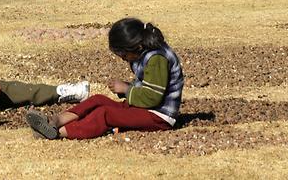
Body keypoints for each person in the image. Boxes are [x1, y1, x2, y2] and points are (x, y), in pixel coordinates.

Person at [25, 17, 184, 140]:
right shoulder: (146, 51)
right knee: (98, 100)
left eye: (123, 55)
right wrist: (128, 88)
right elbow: (150, 87)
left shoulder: (157, 59)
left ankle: (58, 133)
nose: (124, 59)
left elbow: (152, 98)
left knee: (105, 114)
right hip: (144, 108)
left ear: (136, 47)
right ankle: (55, 121)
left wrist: (126, 89)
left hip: (158, 117)